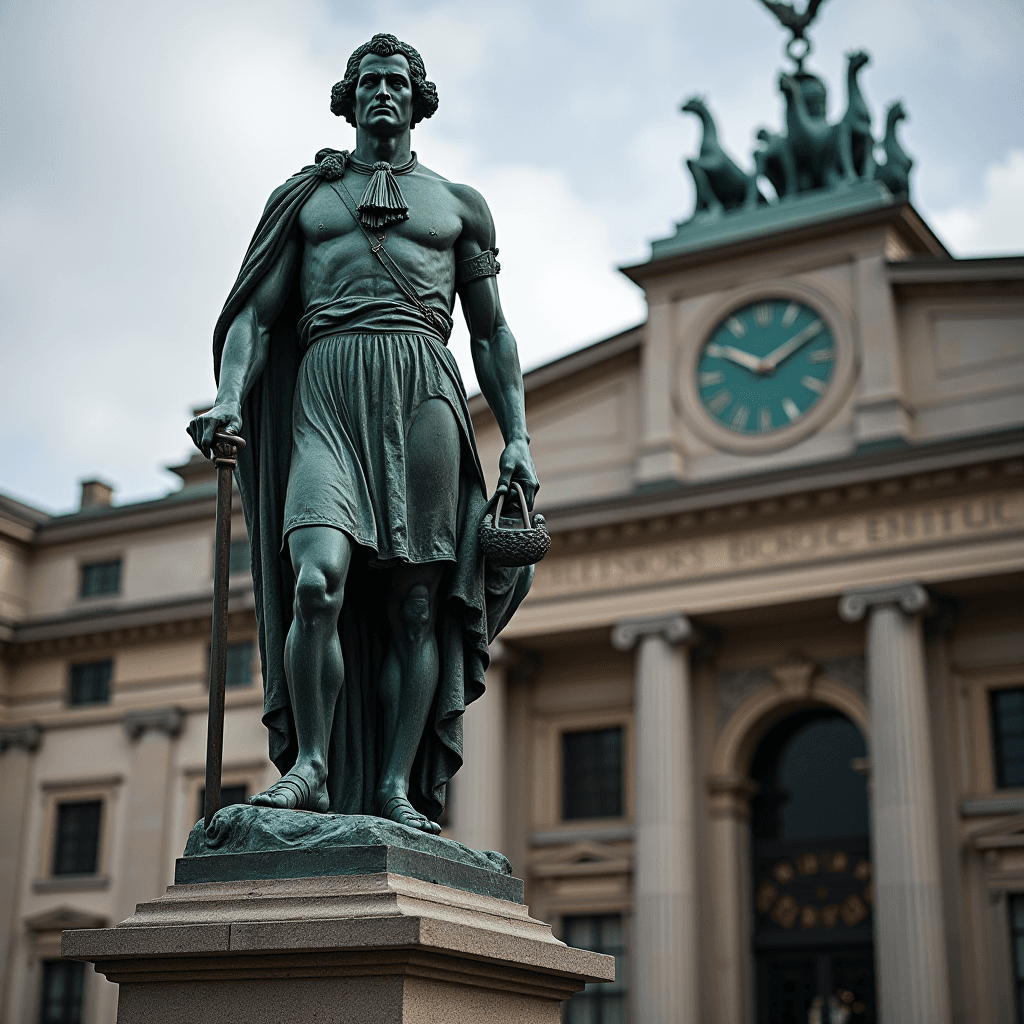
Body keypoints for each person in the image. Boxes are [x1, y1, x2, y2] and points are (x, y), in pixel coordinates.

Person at [188, 33, 537, 834]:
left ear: (420, 98)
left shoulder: (459, 205)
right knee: (316, 582)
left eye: (397, 82)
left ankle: (392, 787)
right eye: (370, 82)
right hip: (326, 388)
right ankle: (310, 767)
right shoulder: (306, 199)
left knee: (417, 605)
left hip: (423, 390)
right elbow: (256, 313)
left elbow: (491, 334)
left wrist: (516, 435)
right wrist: (229, 396)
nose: (384, 93)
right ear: (349, 100)